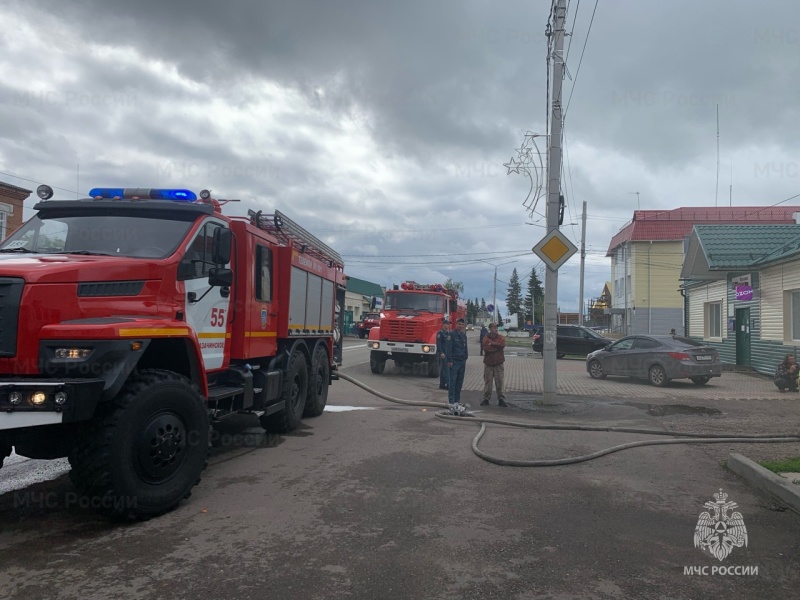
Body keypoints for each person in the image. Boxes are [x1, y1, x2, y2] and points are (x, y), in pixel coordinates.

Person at [480, 322, 508, 407]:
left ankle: (501, 399)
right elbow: (486, 348)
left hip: (498, 363)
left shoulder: (501, 337)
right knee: (488, 382)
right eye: (494, 327)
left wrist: (492, 344)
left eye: (496, 327)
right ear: (490, 329)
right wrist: (496, 348)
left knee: (499, 381)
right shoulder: (486, 338)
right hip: (488, 363)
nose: (496, 329)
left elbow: (502, 345)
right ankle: (486, 399)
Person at [445, 318, 468, 405]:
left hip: (462, 362)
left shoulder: (463, 335)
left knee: (459, 382)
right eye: (459, 324)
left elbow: (465, 348)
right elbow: (448, 349)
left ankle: (457, 401)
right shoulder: (451, 335)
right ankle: (451, 401)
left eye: (462, 324)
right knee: (453, 382)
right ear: (456, 324)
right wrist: (450, 360)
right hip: (454, 362)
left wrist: (466, 357)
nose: (461, 326)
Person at [436, 319, 451, 390]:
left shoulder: (448, 333)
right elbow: (438, 344)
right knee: (446, 369)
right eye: (447, 324)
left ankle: (442, 384)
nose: (448, 326)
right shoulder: (440, 333)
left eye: (449, 324)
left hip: (447, 353)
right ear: (444, 324)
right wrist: (441, 352)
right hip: (443, 353)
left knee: (443, 369)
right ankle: (448, 384)